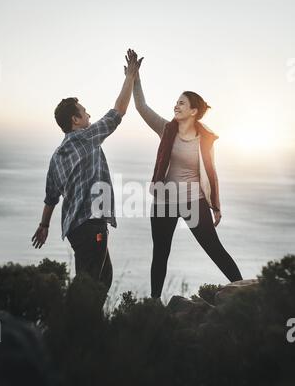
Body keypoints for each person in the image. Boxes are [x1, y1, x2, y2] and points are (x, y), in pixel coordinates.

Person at [126, 51, 243, 299]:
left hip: (194, 201)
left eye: (182, 103)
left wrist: (216, 206)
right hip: (164, 200)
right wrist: (134, 77)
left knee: (214, 249)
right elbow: (141, 106)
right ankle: (155, 303)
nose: (176, 105)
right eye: (176, 101)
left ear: (193, 111)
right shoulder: (166, 129)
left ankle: (244, 291)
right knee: (161, 253)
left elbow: (211, 173)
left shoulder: (205, 139)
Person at [32, 49, 143, 292]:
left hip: (75, 228)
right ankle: (74, 326)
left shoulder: (56, 156)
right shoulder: (86, 138)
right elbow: (118, 112)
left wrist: (44, 226)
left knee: (102, 278)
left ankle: (87, 325)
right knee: (90, 284)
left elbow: (51, 198)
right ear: (75, 120)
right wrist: (130, 77)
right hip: (91, 224)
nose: (89, 114)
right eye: (84, 111)